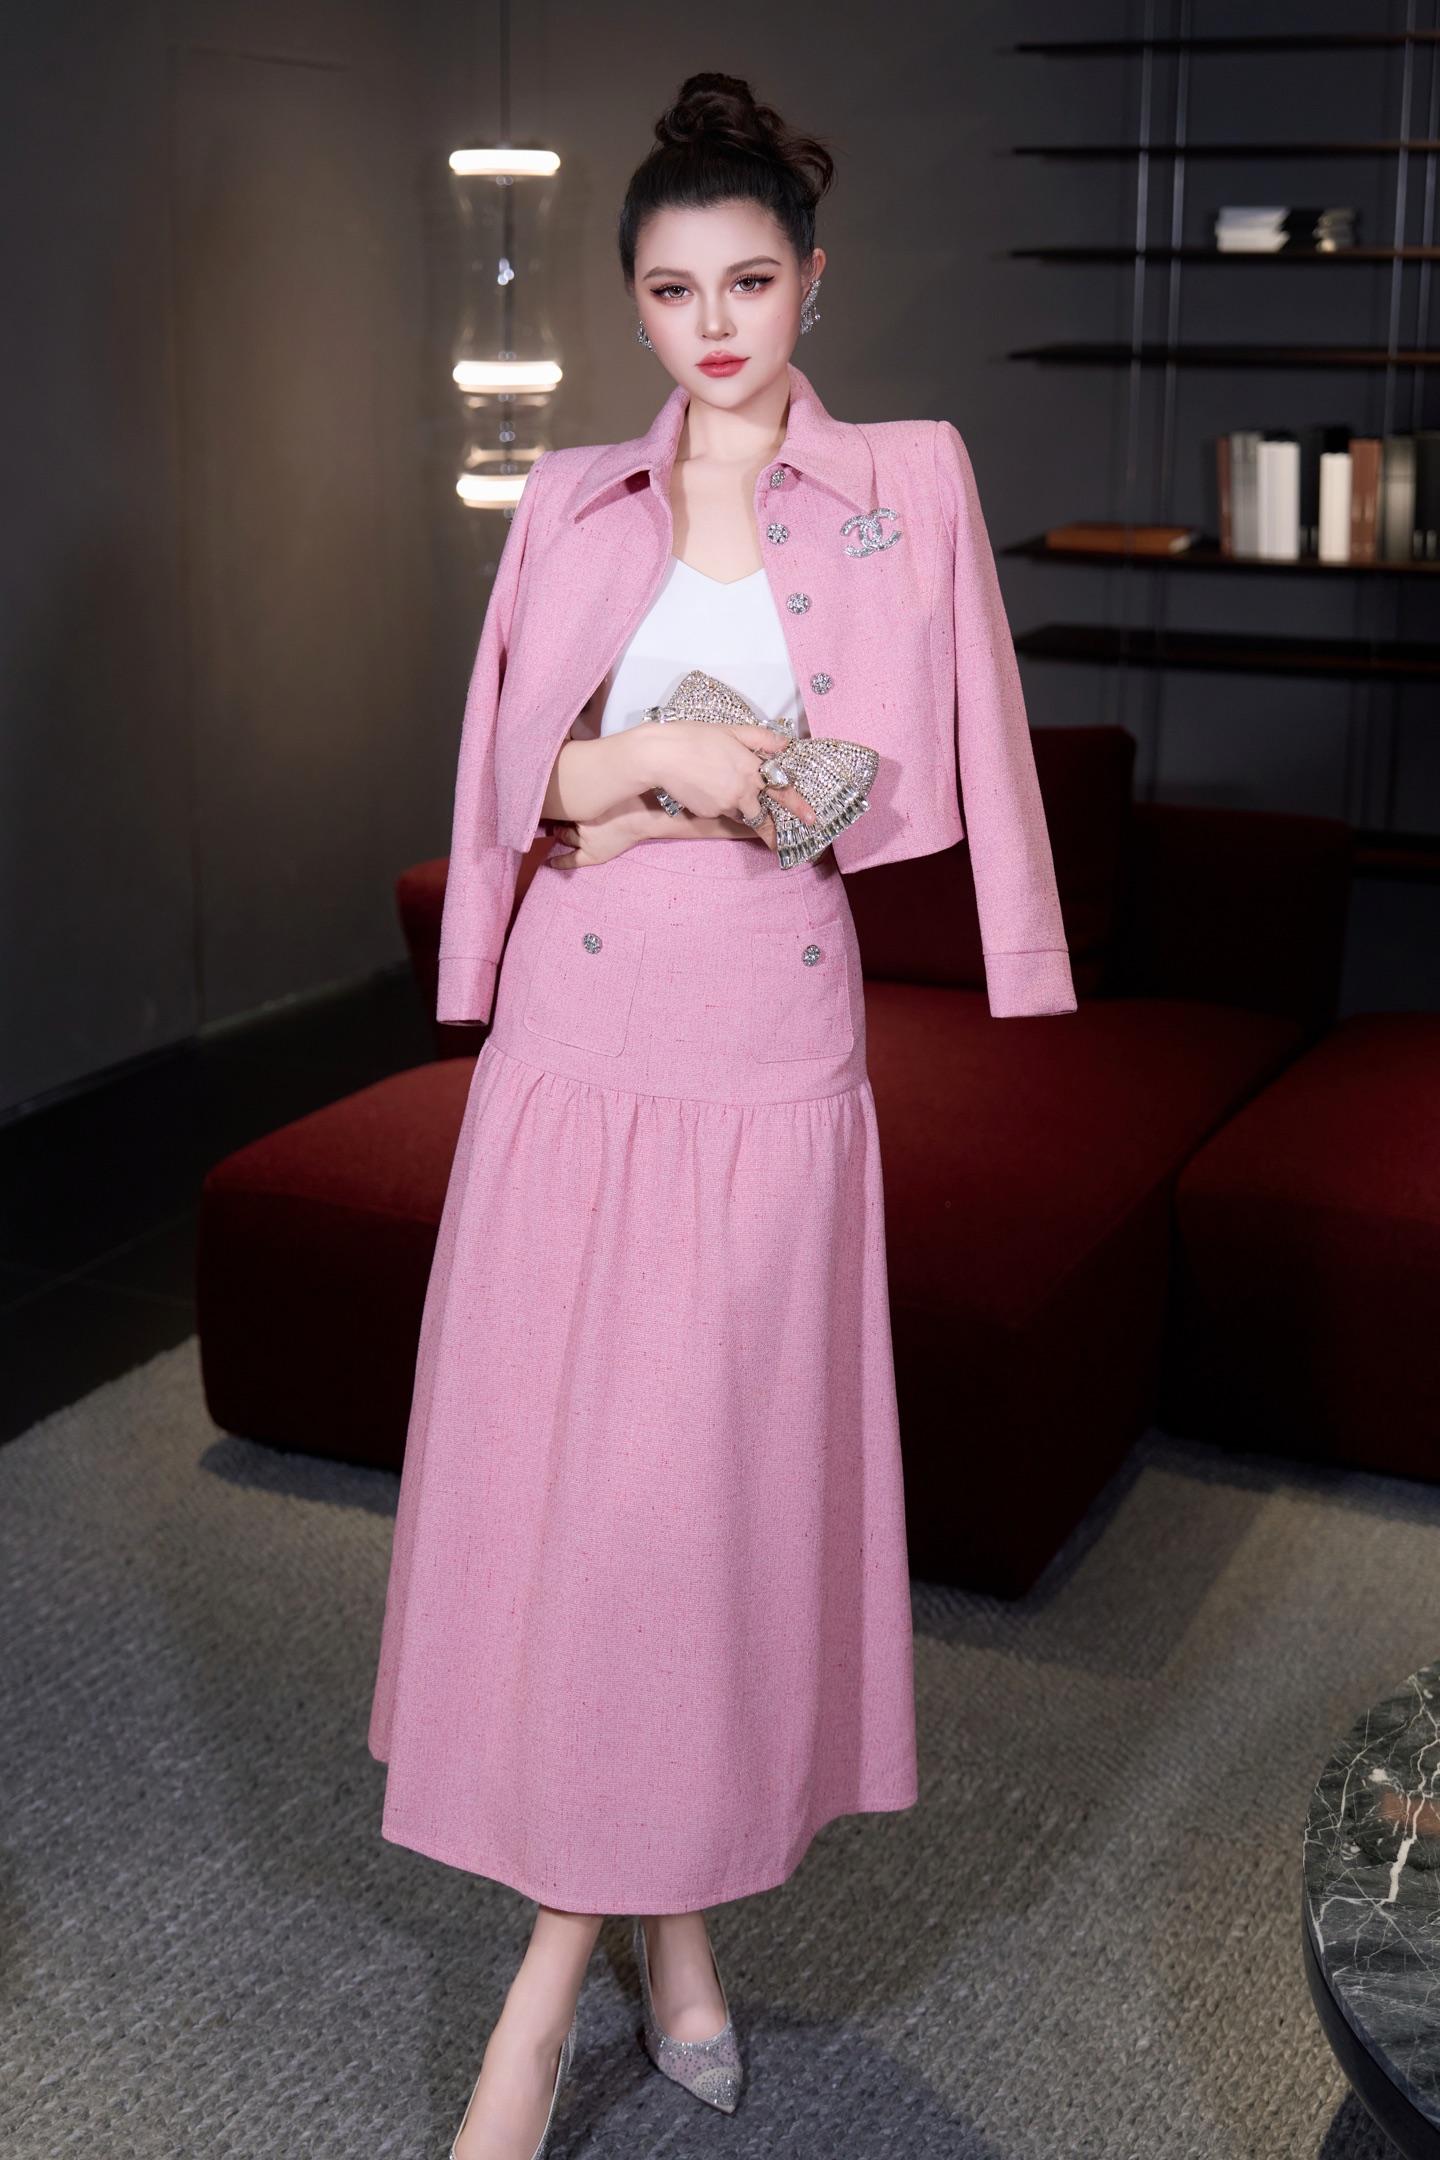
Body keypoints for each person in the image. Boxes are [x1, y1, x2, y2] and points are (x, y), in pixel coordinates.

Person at [369, 70, 1075, 2160]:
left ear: (811, 282)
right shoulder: (571, 497)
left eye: (750, 283)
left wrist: (704, 784)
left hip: (767, 1055)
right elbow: (506, 777)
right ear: (635, 306)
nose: (715, 326)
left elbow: (937, 756)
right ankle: (669, 1954)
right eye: (674, 292)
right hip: (574, 1048)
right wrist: (650, 769)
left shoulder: (903, 481)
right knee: (579, 1512)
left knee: (691, 1520)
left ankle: (538, 2005)